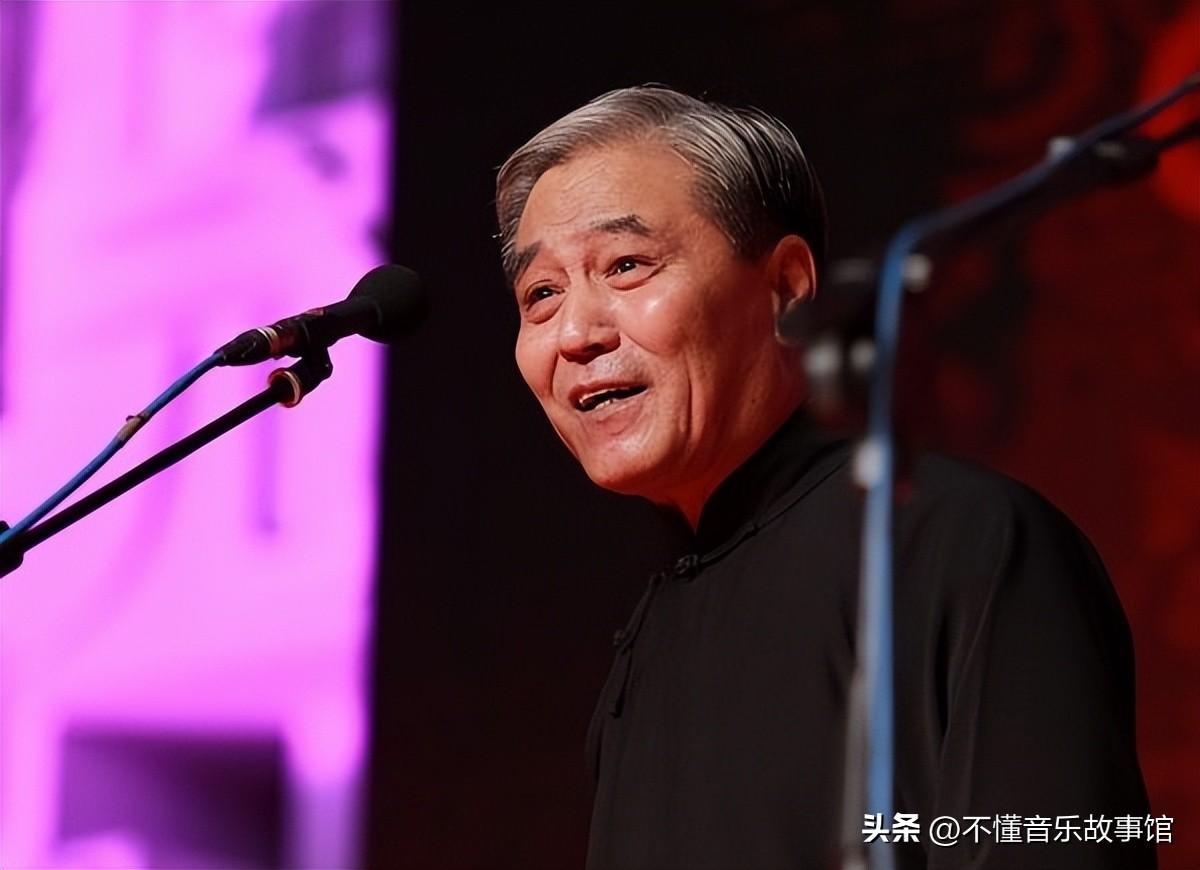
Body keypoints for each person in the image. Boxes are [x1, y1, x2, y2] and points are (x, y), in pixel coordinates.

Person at [494, 85, 1155, 869]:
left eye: (627, 265)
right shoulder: (652, 635)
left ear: (787, 287)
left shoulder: (963, 541)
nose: (575, 333)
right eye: (541, 294)